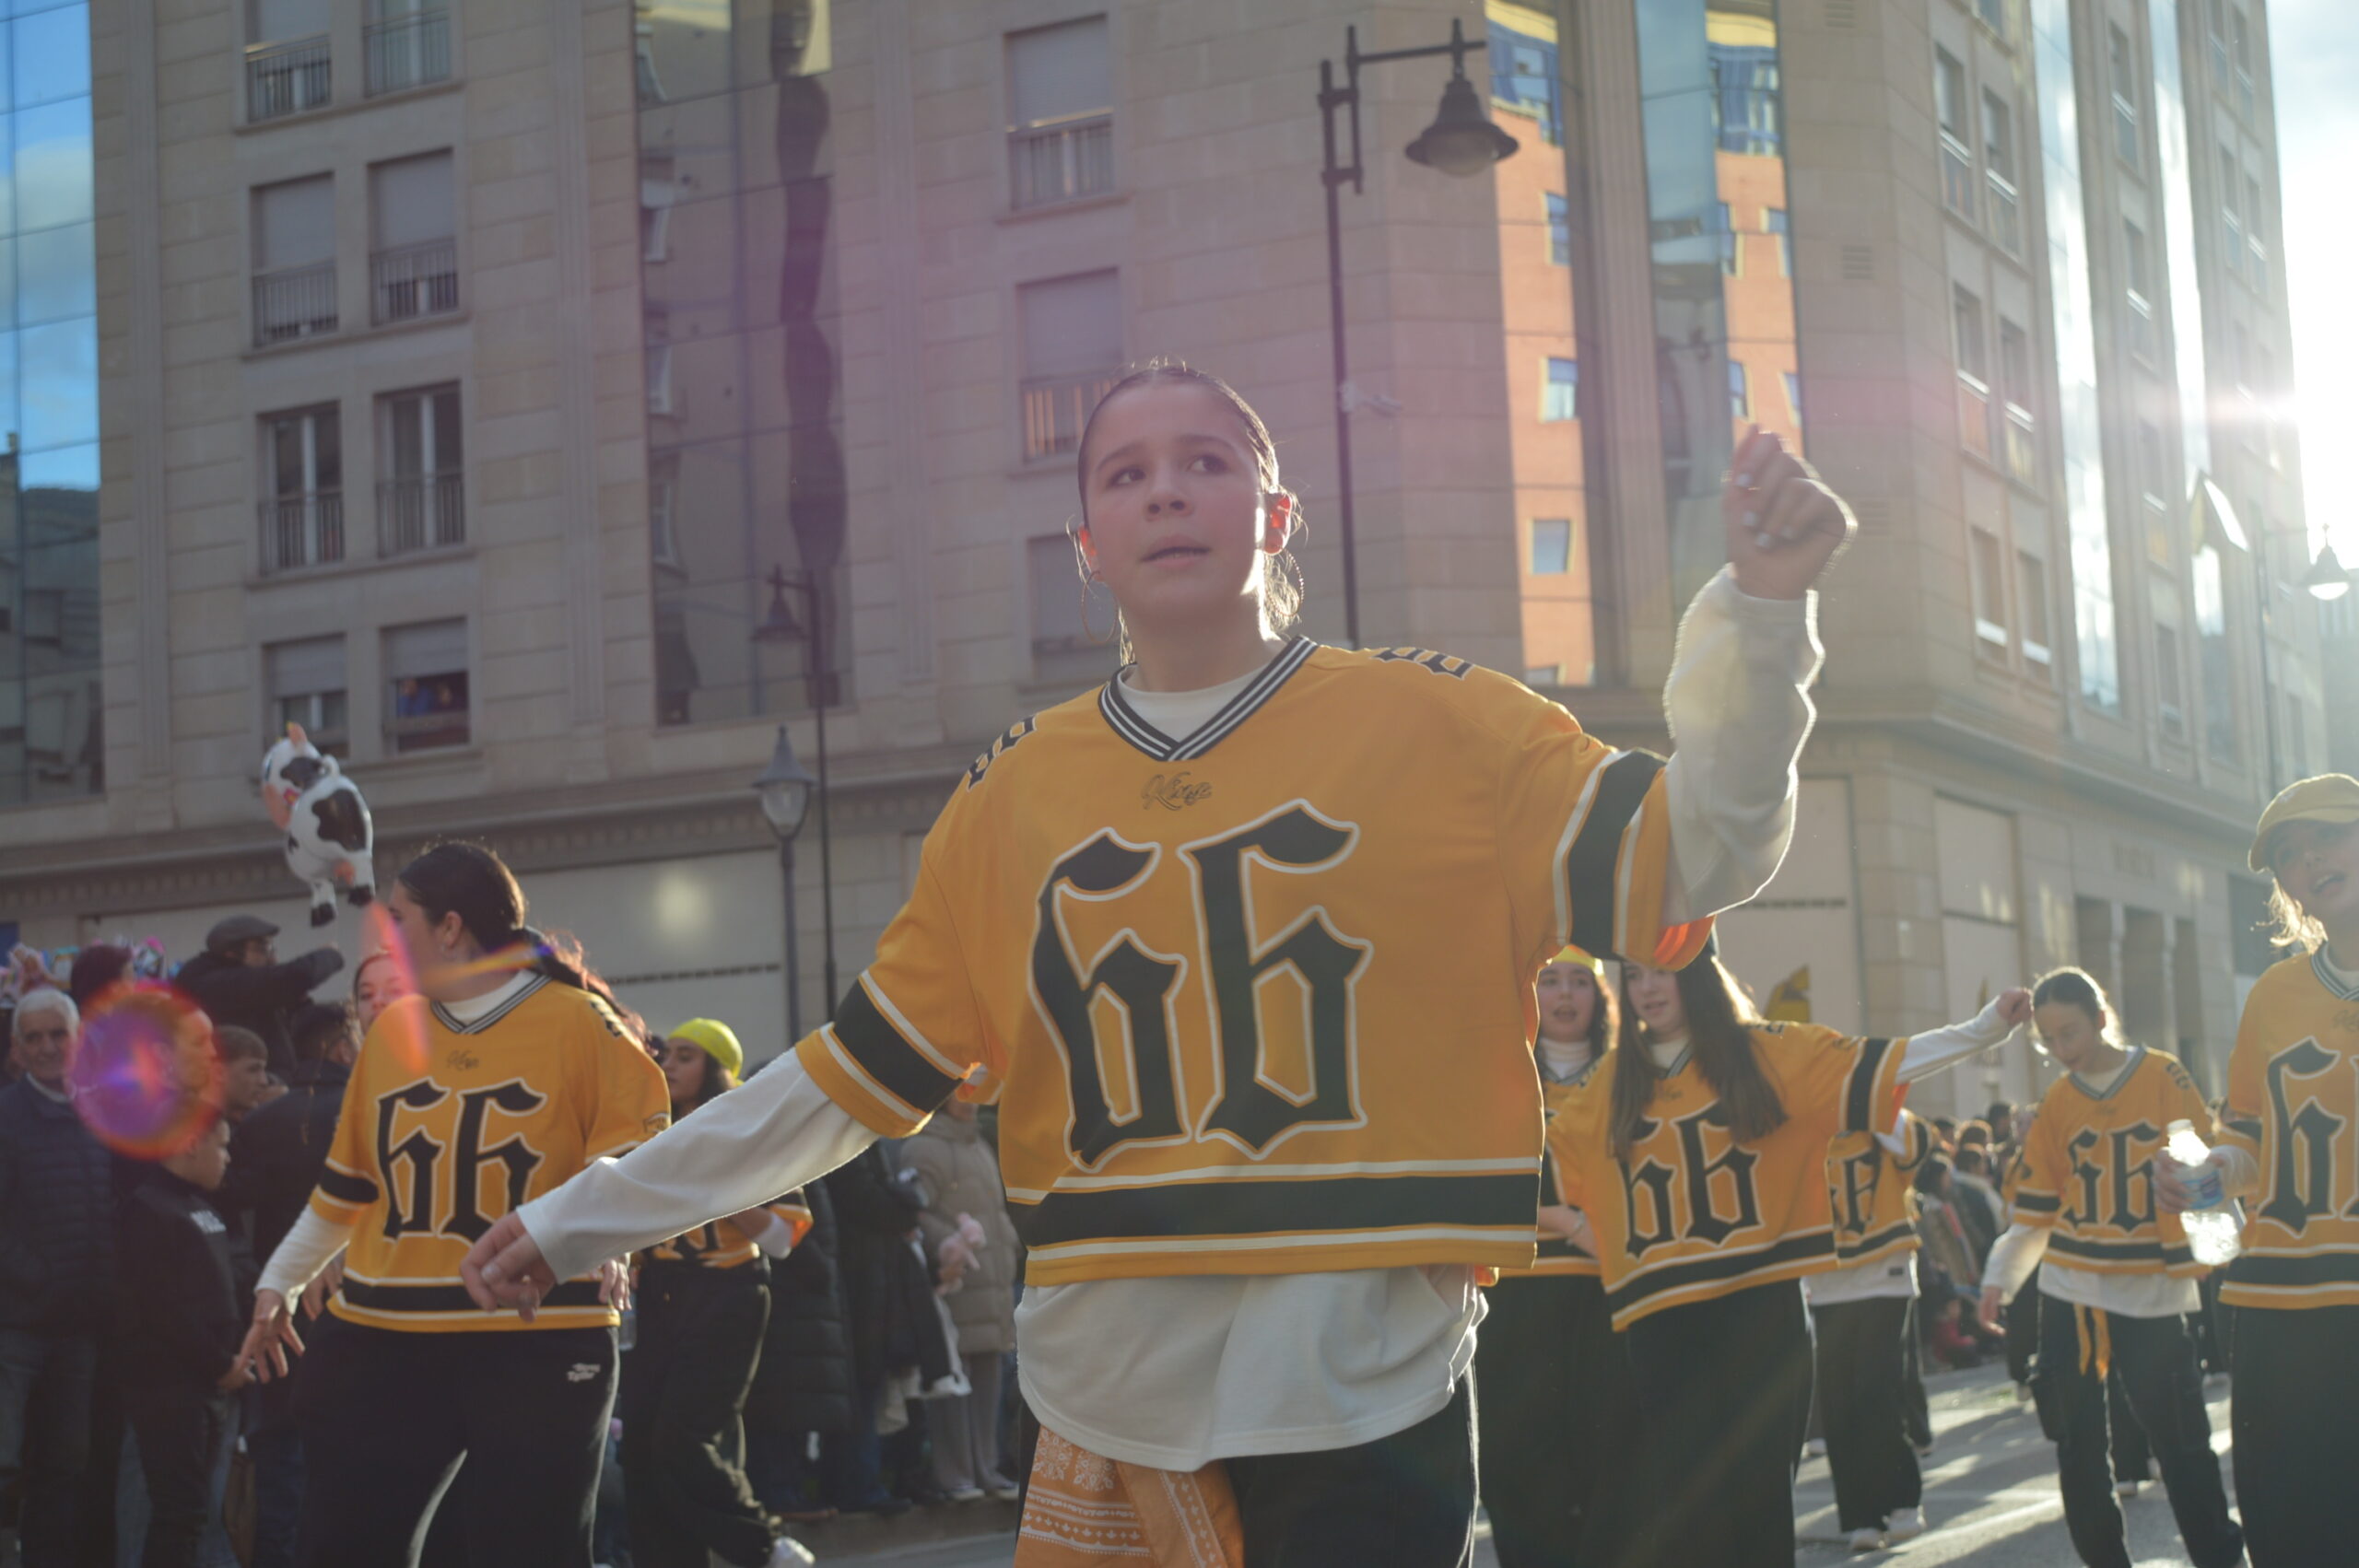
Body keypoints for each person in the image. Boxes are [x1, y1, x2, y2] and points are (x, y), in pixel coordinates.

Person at [459, 363, 1854, 1566]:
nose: (1168, 490)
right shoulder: (1006, 798)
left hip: (1368, 1380)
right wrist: (592, 1212)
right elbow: (845, 1082)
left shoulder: (1451, 725)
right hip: (1110, 1390)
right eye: (1127, 472)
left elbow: (1696, 856)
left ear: (1276, 514)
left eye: (1208, 461)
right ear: (1086, 540)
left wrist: (1763, 614)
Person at [236, 843, 670, 1568]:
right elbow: (346, 1189)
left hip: (540, 1335)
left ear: (449, 929)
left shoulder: (581, 1022)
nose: (382, 935)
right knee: (346, 1550)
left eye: (397, 918)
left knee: (530, 1553)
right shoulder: (389, 1037)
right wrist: (276, 1283)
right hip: (388, 1336)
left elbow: (635, 1158)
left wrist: (603, 1238)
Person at [1543, 951, 2030, 1567]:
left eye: (1660, 969)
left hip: (1760, 1305)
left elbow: (1886, 1061)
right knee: (1690, 1506)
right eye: (1633, 975)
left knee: (1763, 1496)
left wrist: (1985, 1027)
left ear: (1698, 971)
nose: (1646, 989)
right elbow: (1531, 1174)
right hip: (1661, 1318)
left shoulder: (1767, 1053)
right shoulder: (1610, 1082)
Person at [1976, 967, 2241, 1568]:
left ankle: (2222, 1560)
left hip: (2150, 1289)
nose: (2063, 1051)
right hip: (2071, 1286)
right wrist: (1999, 1278)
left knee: (2183, 1446)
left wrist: (2217, 1255)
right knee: (2077, 1448)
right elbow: (2036, 1215)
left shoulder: (2165, 1075)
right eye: (2049, 1041)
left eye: (2071, 1032)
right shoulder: (2055, 1104)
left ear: (2100, 1016)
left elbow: (2207, 1179)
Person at [2167, 775, 2359, 1564]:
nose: (2308, 859)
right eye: (2288, 853)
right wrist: (2208, 1173)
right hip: (2282, 1302)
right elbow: (2247, 1143)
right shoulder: (2273, 994)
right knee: (2292, 1530)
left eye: (2327, 837)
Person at [622, 1020, 815, 1568]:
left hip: (728, 1291)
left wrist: (711, 1189)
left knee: (680, 1439)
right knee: (640, 1448)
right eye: (667, 1054)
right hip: (658, 1295)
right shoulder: (647, 1128)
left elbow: (783, 1238)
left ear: (716, 1068)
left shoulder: (749, 1129)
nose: (670, 1065)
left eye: (686, 1056)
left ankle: (762, 1543)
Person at [1472, 944, 1635, 1568]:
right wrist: (1563, 1219)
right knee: (1521, 1461)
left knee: (1612, 1457)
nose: (1565, 997)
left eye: (1578, 983)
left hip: (1608, 1295)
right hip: (1518, 1296)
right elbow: (1477, 1180)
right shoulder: (1502, 1075)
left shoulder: (1630, 1079)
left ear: (1599, 998)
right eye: (1550, 982)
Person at [220, 1002, 359, 1568]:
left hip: (276, 1315)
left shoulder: (257, 1125)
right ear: (344, 1048)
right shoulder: (371, 1111)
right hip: (366, 1317)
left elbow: (233, 1209)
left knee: (282, 1467)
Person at [0, 988, 115, 1566]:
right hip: (16, 1327)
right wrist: (35, 1279)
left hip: (79, 1330)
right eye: (34, 1037)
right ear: (17, 1049)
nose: (48, 1047)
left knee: (66, 1470)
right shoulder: (4, 1116)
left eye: (58, 1034)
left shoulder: (102, 1112)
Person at [117, 1115, 249, 1568]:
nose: (227, 1158)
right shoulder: (147, 1209)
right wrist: (219, 1364)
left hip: (208, 1387)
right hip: (169, 1389)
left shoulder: (201, 1205)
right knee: (180, 1513)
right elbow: (164, 1309)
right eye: (222, 1146)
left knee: (195, 1512)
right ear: (192, 1143)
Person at [1804, 1106, 1933, 1552]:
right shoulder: (1803, 1134)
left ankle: (1902, 1498)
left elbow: (1915, 1143)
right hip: (1828, 1280)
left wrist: (1866, 1092)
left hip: (1885, 1272)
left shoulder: (1880, 1125)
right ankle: (1860, 1516)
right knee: (1839, 1400)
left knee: (1874, 1388)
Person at [903, 1078, 1022, 1504]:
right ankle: (954, 1473)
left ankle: (985, 1468)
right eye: (962, 1088)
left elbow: (998, 1212)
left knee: (987, 1379)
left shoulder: (978, 1146)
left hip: (991, 1286)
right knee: (953, 1384)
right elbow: (916, 1209)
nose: (973, 1096)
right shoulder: (924, 1147)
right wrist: (950, 1241)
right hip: (954, 1283)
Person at [175, 919, 344, 1082]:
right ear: (231, 954)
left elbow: (299, 1016)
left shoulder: (253, 989)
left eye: (271, 949)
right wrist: (330, 955)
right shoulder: (212, 983)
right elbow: (298, 975)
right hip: (239, 1094)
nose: (272, 959)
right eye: (263, 949)